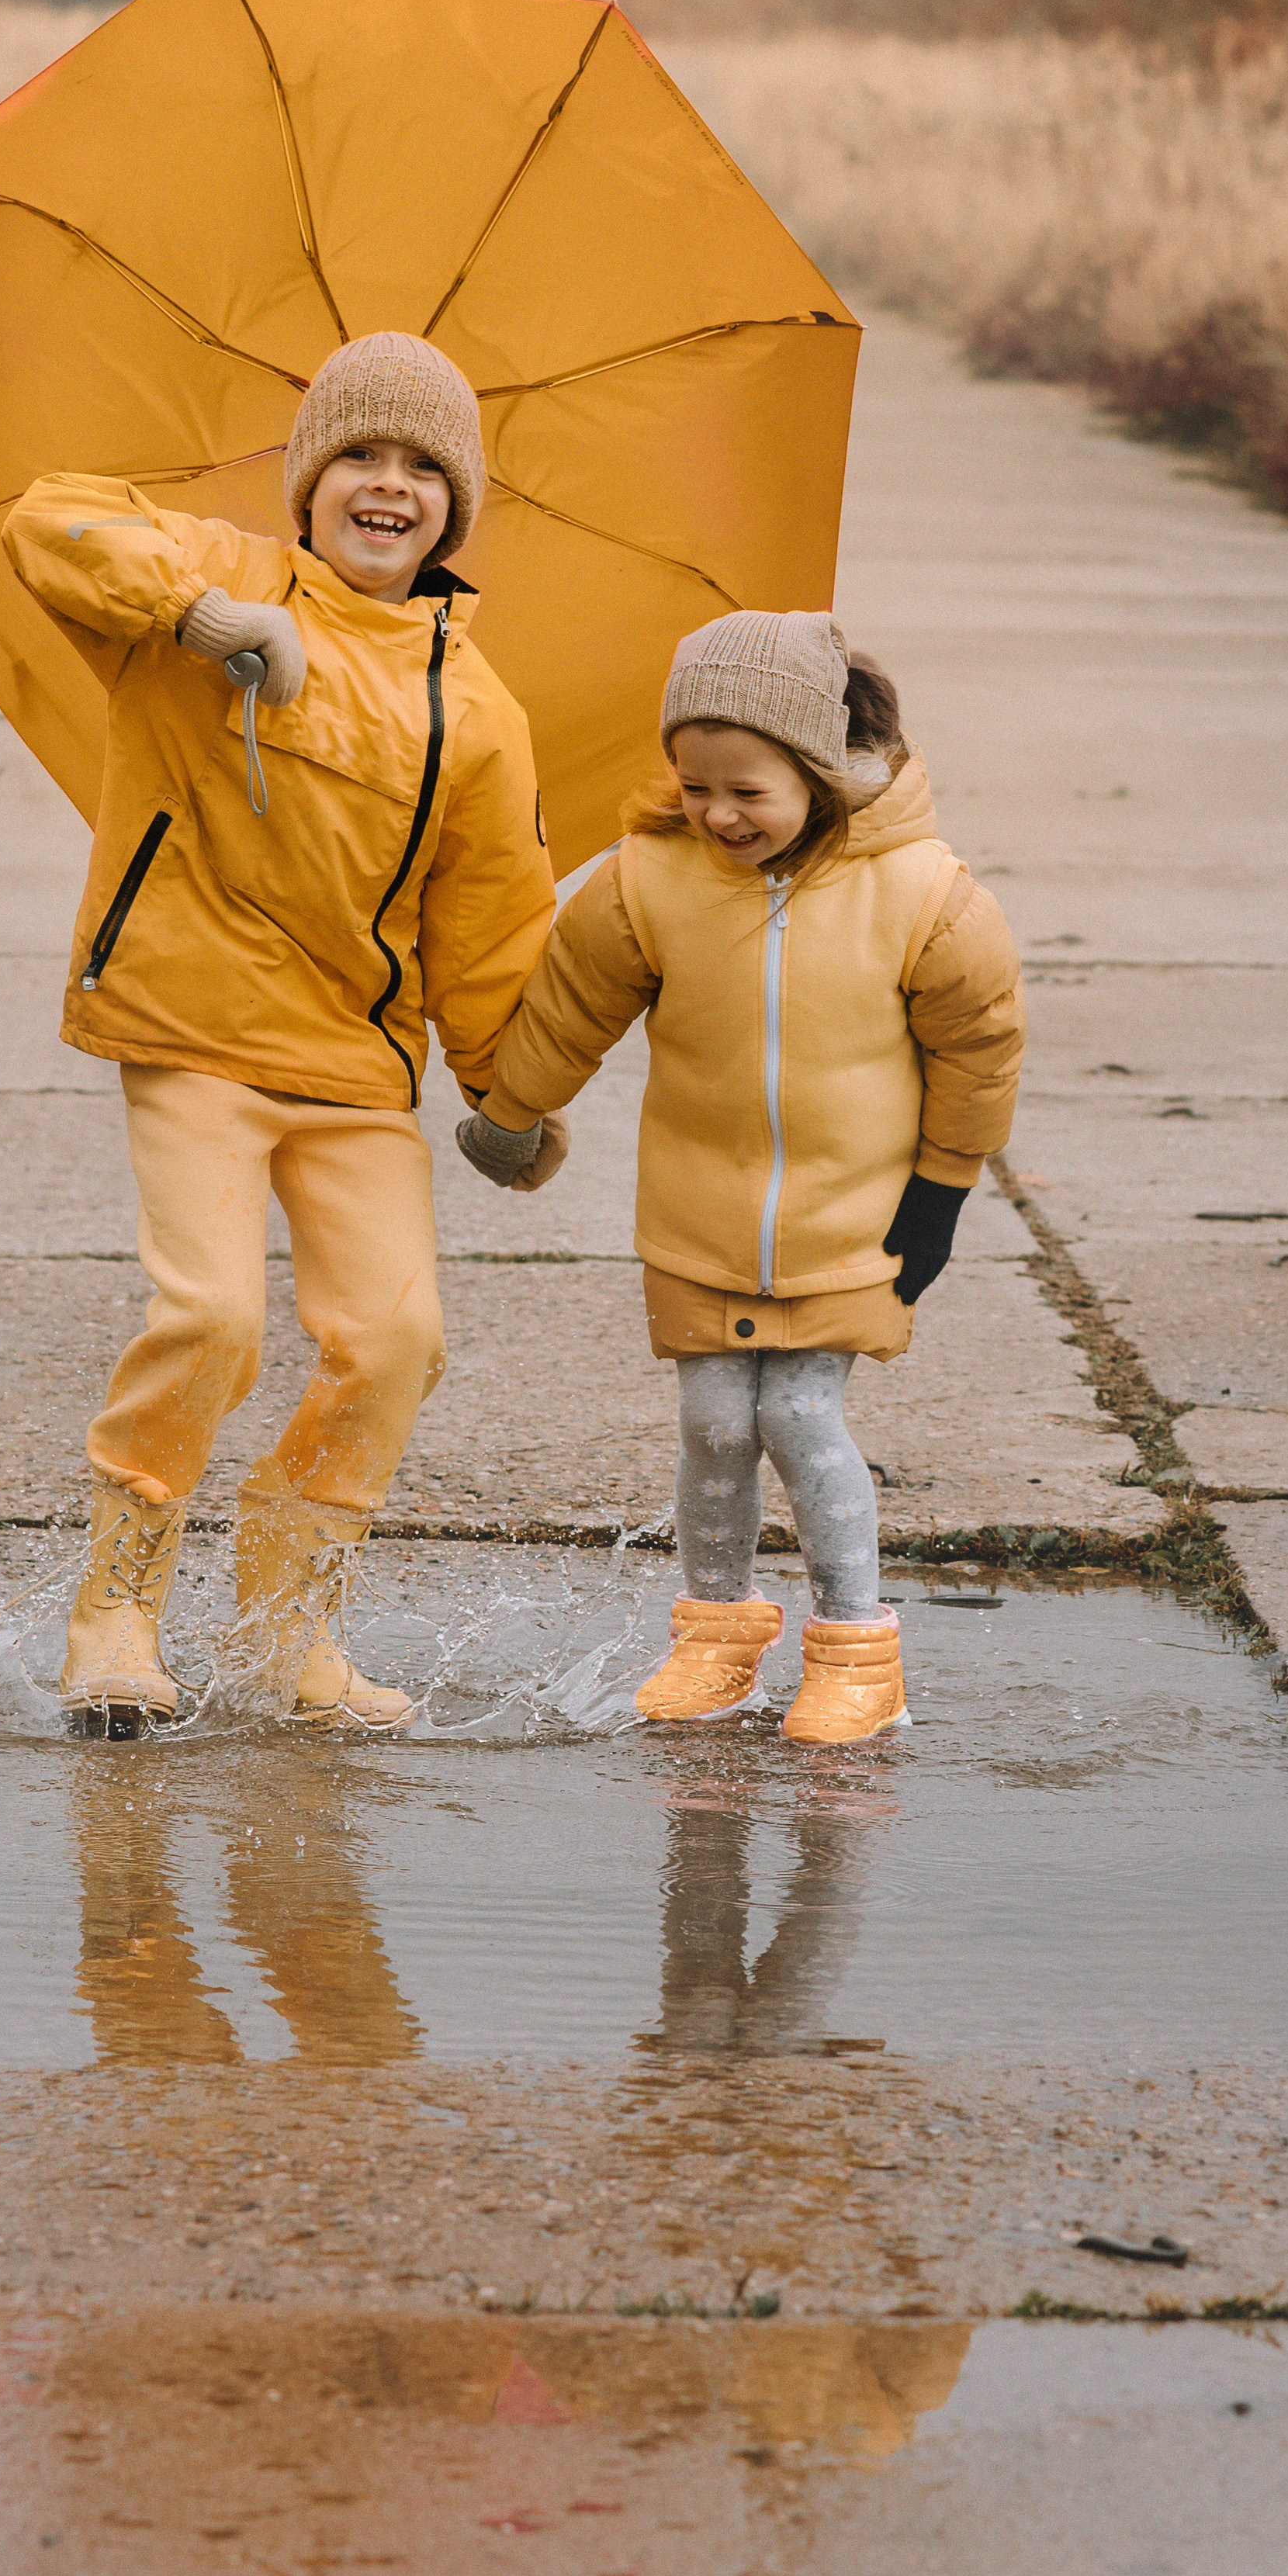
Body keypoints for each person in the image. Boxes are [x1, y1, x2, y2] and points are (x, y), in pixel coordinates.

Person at [1, 331, 558, 1736]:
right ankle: (118, 1613)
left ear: (456, 507)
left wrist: (512, 1089)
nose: (388, 487)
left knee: (395, 1337)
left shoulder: (479, 713)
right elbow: (46, 522)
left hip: (354, 1071)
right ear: (306, 483)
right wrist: (195, 616)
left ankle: (285, 1631)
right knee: (211, 1315)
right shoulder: (220, 575)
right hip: (189, 1028)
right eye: (358, 457)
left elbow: (489, 932)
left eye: (424, 468)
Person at [457, 610, 1023, 1746]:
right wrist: (512, 1109)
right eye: (695, 784)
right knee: (715, 1423)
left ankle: (857, 1652)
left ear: (817, 773)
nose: (718, 813)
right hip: (697, 1216)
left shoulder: (920, 891)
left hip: (852, 1217)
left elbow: (980, 1042)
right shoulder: (648, 884)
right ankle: (715, 1639)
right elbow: (573, 1003)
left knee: (802, 1418)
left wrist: (944, 1189)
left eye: (748, 791)